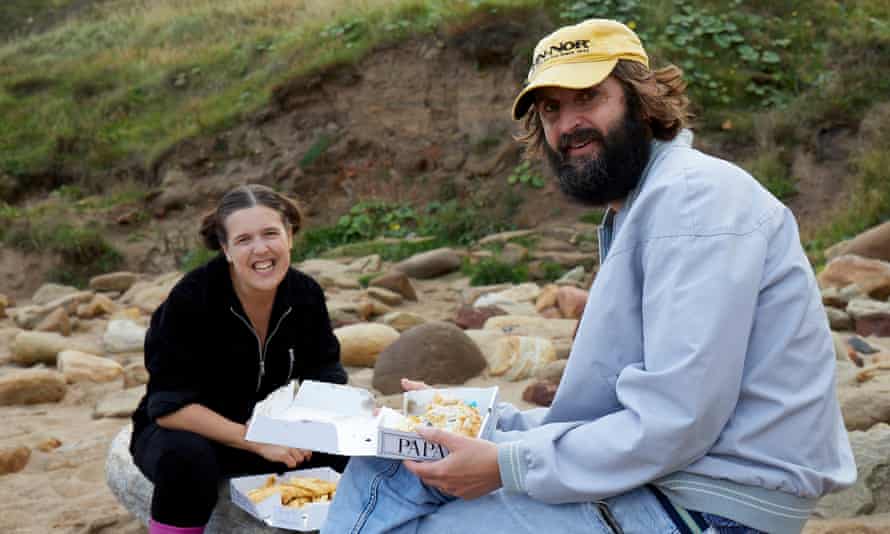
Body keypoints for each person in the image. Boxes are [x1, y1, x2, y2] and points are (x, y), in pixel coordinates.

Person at [321, 18, 856, 534]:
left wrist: (505, 465)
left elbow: (677, 419)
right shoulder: (646, 205)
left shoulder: (691, 202)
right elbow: (615, 411)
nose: (567, 124)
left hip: (706, 509)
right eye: (551, 109)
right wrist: (481, 423)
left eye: (588, 98)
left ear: (641, 102)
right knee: (389, 466)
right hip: (670, 483)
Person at [130, 184, 349, 534]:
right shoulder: (191, 299)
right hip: (195, 431)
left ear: (290, 236)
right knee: (186, 460)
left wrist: (328, 423)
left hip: (274, 432)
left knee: (353, 452)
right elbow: (169, 407)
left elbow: (326, 376)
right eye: (244, 239)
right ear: (225, 248)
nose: (261, 249)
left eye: (270, 234)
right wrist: (257, 439)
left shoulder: (305, 294)